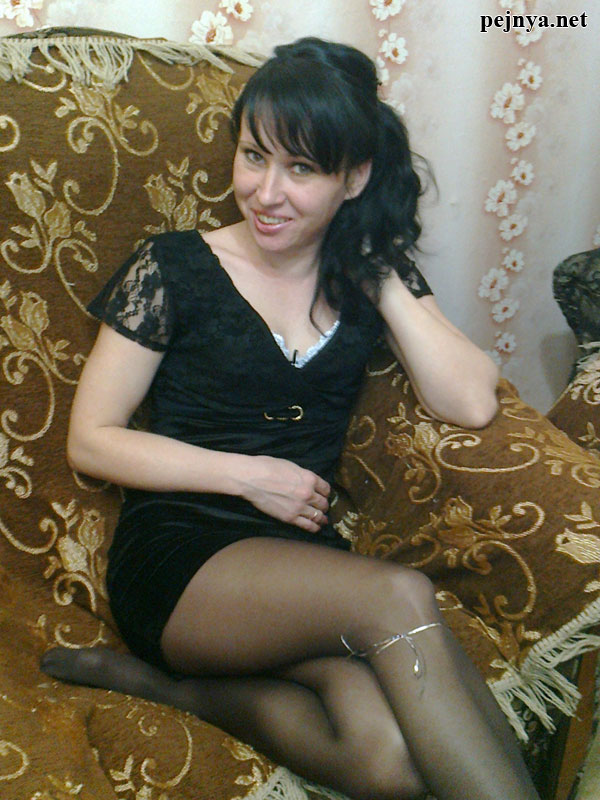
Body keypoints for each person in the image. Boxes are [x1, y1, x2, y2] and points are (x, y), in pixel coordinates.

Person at [41, 37, 540, 800]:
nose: (266, 192)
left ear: (353, 178)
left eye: (301, 169)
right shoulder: (172, 267)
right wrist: (250, 476)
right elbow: (92, 439)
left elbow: (470, 401)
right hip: (181, 558)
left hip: (301, 563)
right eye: (253, 157)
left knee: (387, 764)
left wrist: (379, 273)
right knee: (399, 595)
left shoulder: (365, 274)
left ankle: (171, 689)